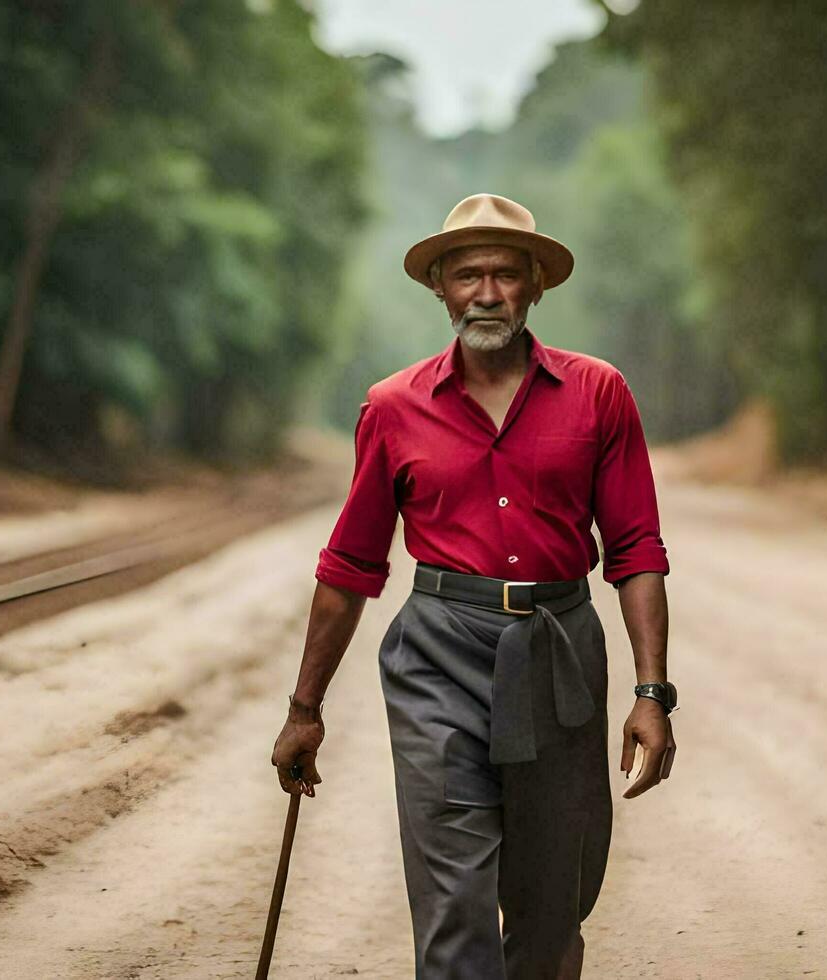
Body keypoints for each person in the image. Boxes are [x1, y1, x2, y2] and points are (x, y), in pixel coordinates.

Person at [270, 192, 676, 978]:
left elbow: (635, 549)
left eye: (504, 275)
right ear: (440, 289)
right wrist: (303, 710)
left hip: (559, 653)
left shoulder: (599, 394)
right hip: (438, 659)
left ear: (536, 286)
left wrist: (653, 692)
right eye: (467, 275)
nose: (486, 293)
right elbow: (350, 566)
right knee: (454, 903)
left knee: (552, 906)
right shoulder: (392, 408)